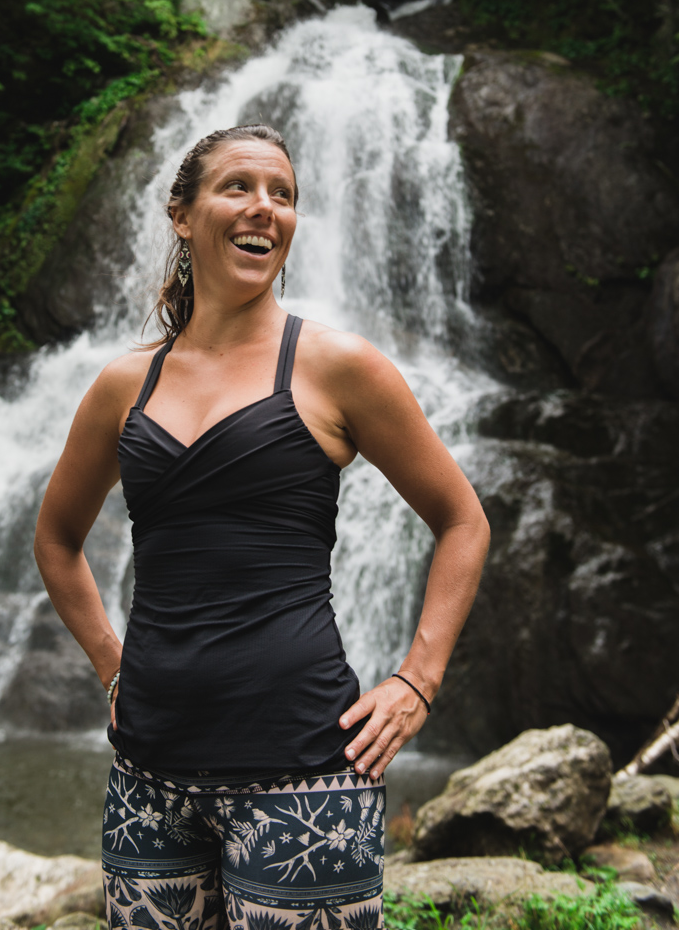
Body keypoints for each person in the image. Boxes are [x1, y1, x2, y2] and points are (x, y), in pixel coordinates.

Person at [34, 122, 490, 930]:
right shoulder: (122, 386)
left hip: (304, 773)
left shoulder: (336, 366)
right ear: (182, 214)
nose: (264, 208)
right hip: (147, 775)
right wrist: (113, 665)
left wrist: (418, 679)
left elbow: (461, 519)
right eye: (238, 187)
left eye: (282, 194)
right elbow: (57, 539)